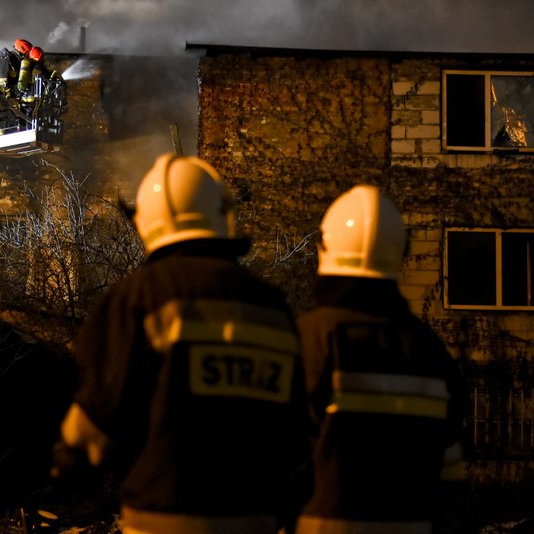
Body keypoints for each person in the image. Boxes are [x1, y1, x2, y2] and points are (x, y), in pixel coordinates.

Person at [51, 153, 313, 534]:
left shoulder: (137, 298)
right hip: (255, 519)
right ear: (222, 215)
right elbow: (297, 431)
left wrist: (68, 462)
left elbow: (99, 413)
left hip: (162, 519)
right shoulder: (271, 307)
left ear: (146, 222)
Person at [294, 185, 467, 534]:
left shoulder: (309, 340)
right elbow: (450, 474)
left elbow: (274, 459)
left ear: (324, 249)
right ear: (401, 252)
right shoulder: (431, 352)